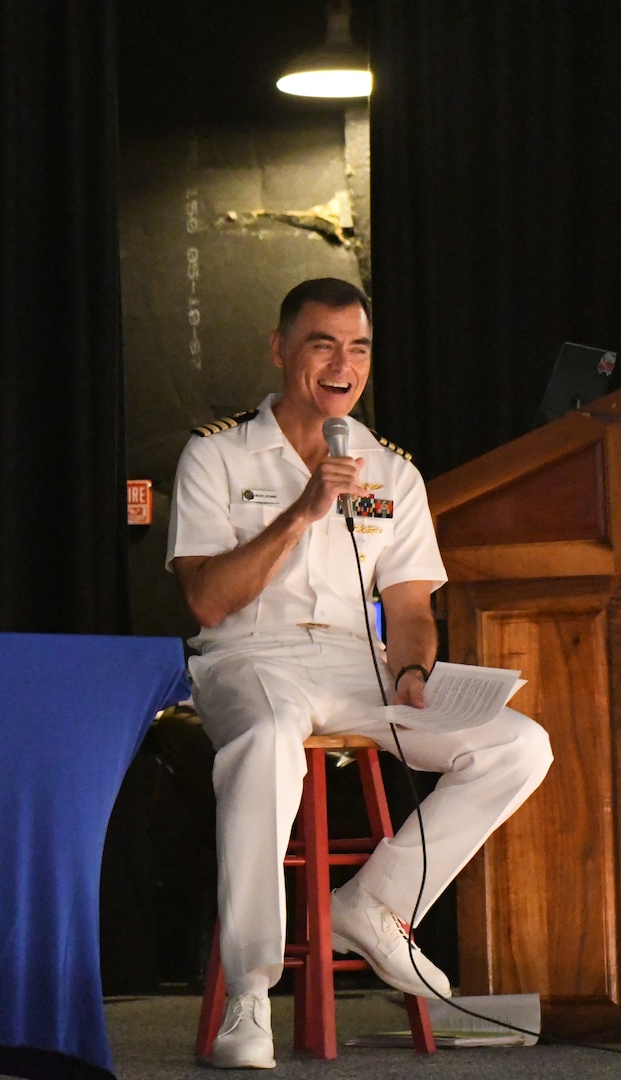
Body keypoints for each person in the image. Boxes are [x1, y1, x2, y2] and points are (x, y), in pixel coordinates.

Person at [167, 279, 552, 1070]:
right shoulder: (216, 453)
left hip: (357, 663)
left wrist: (412, 668)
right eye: (322, 344)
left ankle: (373, 904)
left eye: (359, 348)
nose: (343, 365)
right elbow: (205, 601)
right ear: (281, 352)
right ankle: (250, 987)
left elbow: (410, 603)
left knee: (520, 743)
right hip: (249, 657)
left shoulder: (390, 470)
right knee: (269, 739)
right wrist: (301, 513)